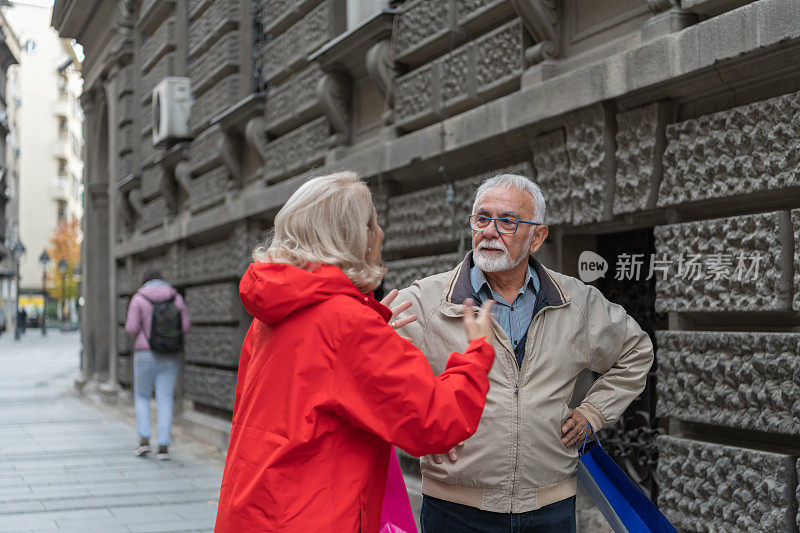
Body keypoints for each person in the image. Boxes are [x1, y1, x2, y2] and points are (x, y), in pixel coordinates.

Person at [214, 171, 497, 532]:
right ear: (354, 239)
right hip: (314, 517)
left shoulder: (272, 312)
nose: (379, 233)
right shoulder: (348, 325)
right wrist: (478, 352)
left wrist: (371, 332)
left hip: (255, 510)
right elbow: (436, 421)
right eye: (372, 223)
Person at [395, 174, 654, 532]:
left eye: (507, 222)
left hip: (549, 507)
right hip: (455, 508)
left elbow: (636, 351)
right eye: (482, 218)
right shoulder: (427, 301)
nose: (490, 231)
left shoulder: (575, 302)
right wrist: (420, 429)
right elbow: (377, 375)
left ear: (537, 237)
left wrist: (593, 412)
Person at [124, 268, 190, 460]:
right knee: (165, 398)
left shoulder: (139, 298)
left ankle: (144, 441)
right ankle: (163, 446)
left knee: (142, 396)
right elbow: (185, 327)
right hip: (170, 354)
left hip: (144, 354)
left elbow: (131, 327)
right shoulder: (175, 298)